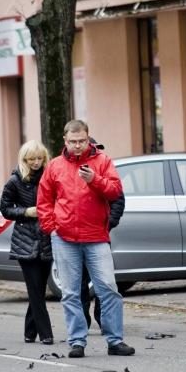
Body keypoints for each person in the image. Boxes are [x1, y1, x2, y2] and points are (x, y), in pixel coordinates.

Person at [37, 119, 135, 358]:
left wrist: (95, 180)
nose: (77, 146)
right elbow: (44, 201)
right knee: (70, 292)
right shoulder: (55, 166)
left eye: (82, 141)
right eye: (73, 142)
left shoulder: (102, 161)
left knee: (108, 289)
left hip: (96, 237)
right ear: (65, 141)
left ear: (88, 138)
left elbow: (115, 192)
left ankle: (114, 340)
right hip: (64, 237)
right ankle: (77, 341)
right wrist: (52, 228)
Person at [0, 140, 55, 345]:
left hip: (47, 238)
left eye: (40, 158)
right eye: (32, 159)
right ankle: (46, 333)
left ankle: (29, 332)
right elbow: (4, 209)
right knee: (34, 288)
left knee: (39, 289)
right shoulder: (15, 181)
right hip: (25, 239)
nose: (36, 162)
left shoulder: (50, 176)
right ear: (24, 159)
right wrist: (25, 212)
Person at [80, 137, 125, 330]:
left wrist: (108, 223)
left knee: (104, 282)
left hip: (99, 234)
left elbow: (118, 199)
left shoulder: (104, 168)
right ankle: (83, 320)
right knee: (78, 285)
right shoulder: (69, 170)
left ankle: (103, 318)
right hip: (74, 236)